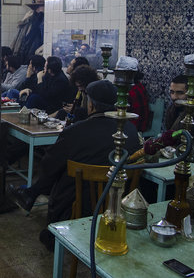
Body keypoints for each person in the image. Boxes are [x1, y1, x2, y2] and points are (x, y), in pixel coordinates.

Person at [8, 80, 140, 250]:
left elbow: (49, 166)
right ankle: (31, 193)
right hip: (118, 202)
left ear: (90, 104)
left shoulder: (77, 131)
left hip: (78, 204)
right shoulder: (130, 130)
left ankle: (33, 196)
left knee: (57, 167)